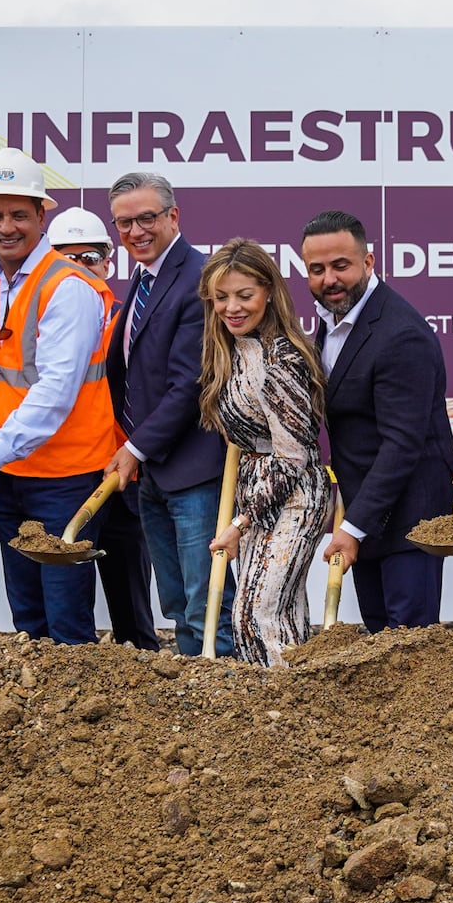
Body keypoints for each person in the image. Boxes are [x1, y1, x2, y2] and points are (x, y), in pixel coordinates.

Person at [0, 148, 120, 646]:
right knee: (29, 620)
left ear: (41, 216)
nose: (7, 227)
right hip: (13, 477)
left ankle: (79, 719)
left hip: (66, 477)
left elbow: (54, 393)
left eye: (19, 215)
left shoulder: (68, 287)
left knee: (67, 624)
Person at [303, 209, 453, 630]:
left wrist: (352, 527)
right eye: (316, 269)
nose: (329, 279)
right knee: (377, 638)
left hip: (411, 513)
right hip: (367, 511)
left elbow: (401, 445)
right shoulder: (331, 322)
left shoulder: (399, 333)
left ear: (368, 263)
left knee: (409, 649)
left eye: (341, 266)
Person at [104, 172, 235, 658]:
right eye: (124, 223)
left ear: (173, 216)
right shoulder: (144, 276)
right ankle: (192, 707)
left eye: (146, 218)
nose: (135, 232)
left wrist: (133, 448)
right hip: (156, 472)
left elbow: (190, 385)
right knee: (178, 603)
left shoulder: (199, 280)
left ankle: (224, 706)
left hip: (194, 471)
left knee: (207, 603)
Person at [201, 239, 334, 663]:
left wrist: (238, 524)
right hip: (256, 489)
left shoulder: (282, 360)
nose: (232, 308)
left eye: (244, 295)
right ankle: (290, 714)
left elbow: (293, 457)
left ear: (269, 292)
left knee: (256, 614)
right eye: (221, 297)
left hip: (293, 496)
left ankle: (283, 712)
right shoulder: (230, 351)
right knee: (280, 614)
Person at [47, 204, 156, 649]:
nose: (78, 269)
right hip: (61, 477)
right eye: (65, 259)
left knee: (130, 600)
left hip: (119, 474)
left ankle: (145, 669)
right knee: (62, 608)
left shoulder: (126, 320)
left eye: (89, 258)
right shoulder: (35, 325)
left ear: (108, 263)